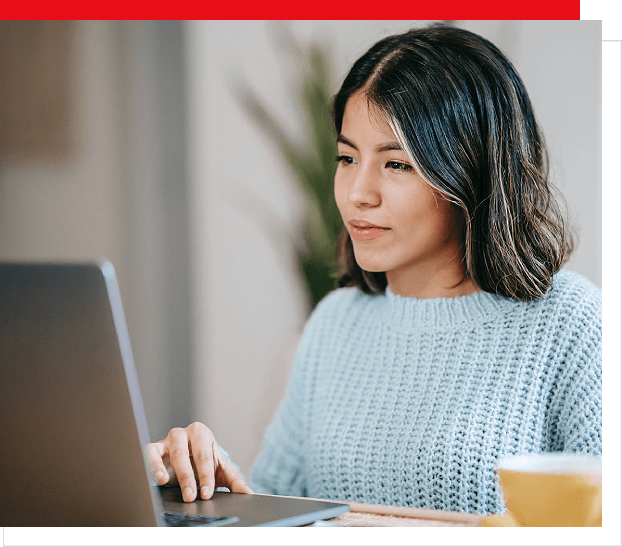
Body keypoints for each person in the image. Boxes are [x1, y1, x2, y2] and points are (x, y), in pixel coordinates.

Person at [147, 23, 601, 515]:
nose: (357, 192)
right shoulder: (336, 323)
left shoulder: (566, 322)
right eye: (347, 157)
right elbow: (274, 506)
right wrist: (197, 483)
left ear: (471, 171)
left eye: (397, 164)